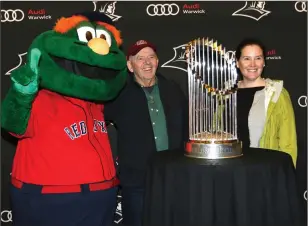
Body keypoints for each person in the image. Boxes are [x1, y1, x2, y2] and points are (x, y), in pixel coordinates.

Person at [104, 39, 188, 226]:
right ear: (130, 65)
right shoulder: (119, 94)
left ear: (158, 61)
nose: (147, 62)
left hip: (172, 177)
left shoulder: (173, 89)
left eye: (151, 57)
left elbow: (187, 129)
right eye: (140, 58)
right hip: (136, 181)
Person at [235, 38, 297, 166]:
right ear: (237, 63)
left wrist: (285, 174)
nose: (253, 64)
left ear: (263, 62)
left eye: (258, 58)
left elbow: (288, 143)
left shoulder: (278, 93)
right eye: (246, 58)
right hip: (232, 171)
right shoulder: (225, 95)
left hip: (265, 171)